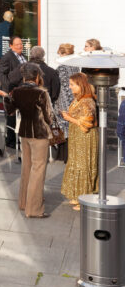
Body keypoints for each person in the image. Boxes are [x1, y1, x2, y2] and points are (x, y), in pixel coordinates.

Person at [7, 63, 54, 218]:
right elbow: (49, 117)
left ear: (24, 76)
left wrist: (7, 98)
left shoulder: (17, 91)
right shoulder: (41, 92)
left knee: (26, 168)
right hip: (39, 134)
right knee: (38, 170)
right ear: (37, 76)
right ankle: (34, 209)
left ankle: (24, 203)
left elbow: (10, 111)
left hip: (24, 132)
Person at [61, 73, 98, 210]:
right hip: (77, 137)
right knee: (77, 164)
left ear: (81, 85)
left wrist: (70, 119)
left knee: (83, 166)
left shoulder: (88, 100)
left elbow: (88, 122)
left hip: (85, 138)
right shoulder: (79, 98)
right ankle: (78, 196)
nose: (70, 87)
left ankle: (85, 199)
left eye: (72, 85)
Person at [0, 36, 28, 151]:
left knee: (19, 118)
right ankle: (11, 141)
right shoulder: (7, 57)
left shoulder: (22, 56)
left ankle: (18, 138)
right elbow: (1, 74)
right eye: (17, 45)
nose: (20, 46)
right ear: (11, 46)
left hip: (23, 91)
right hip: (12, 92)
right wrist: (7, 89)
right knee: (12, 117)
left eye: (21, 44)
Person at [52, 43, 76, 162]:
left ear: (63, 53)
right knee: (71, 126)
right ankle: (70, 155)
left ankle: (63, 155)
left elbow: (57, 86)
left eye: (59, 53)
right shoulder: (75, 66)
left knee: (61, 126)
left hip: (62, 99)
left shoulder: (61, 68)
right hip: (74, 99)